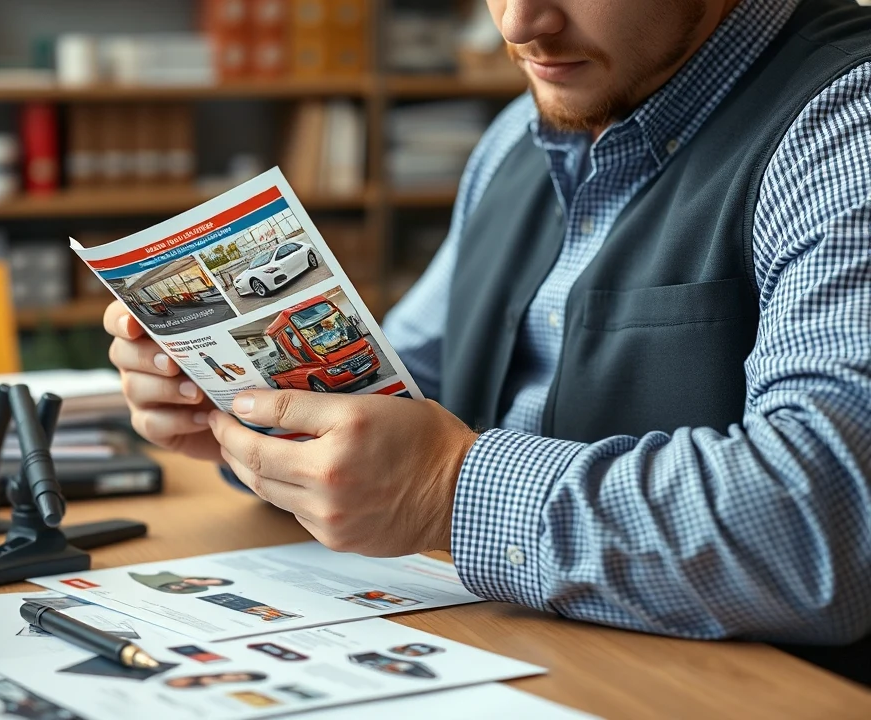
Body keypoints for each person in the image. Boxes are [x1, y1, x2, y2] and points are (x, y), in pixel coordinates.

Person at [104, 0, 871, 683]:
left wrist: (447, 489)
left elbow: (827, 520)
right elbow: (396, 396)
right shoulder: (516, 136)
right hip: (519, 656)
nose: (517, 25)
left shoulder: (847, 127)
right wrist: (248, 418)